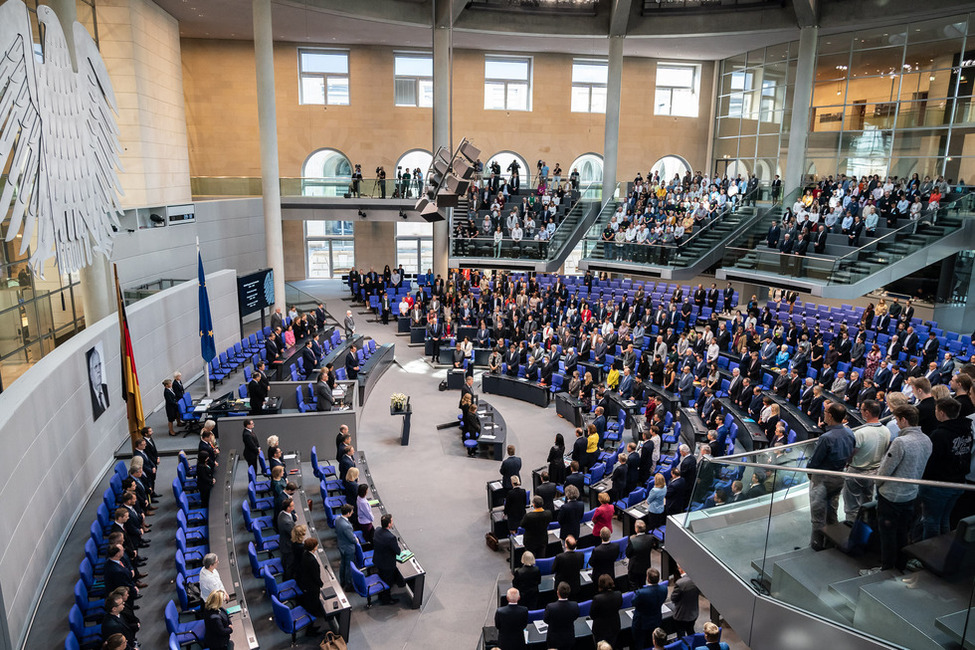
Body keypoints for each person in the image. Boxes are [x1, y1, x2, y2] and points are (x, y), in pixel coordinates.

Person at [860, 405, 932, 576]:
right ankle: (899, 565)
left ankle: (886, 568)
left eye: (897, 419)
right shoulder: (927, 440)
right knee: (902, 532)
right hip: (911, 495)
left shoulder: (900, 442)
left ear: (904, 420)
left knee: (888, 535)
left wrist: (879, 485)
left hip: (891, 497)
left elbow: (885, 471)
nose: (896, 423)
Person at [919, 398, 972, 539]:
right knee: (944, 520)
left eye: (936, 410)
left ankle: (930, 553)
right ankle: (942, 551)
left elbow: (931, 461)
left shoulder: (939, 434)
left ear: (941, 413)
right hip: (957, 482)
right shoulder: (966, 431)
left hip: (938, 485)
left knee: (931, 521)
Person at [808, 402, 856, 550]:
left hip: (822, 479)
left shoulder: (826, 438)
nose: (824, 413)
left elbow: (814, 462)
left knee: (817, 516)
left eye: (826, 411)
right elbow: (851, 454)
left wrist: (810, 474)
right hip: (839, 477)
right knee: (832, 512)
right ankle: (831, 543)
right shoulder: (849, 432)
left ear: (830, 415)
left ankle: (816, 546)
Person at [843, 400, 889, 523]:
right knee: (867, 502)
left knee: (852, 505)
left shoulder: (861, 433)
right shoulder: (886, 430)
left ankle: (851, 527)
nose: (861, 412)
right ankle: (865, 525)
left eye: (862, 410)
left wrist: (847, 463)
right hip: (875, 472)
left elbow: (851, 453)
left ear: (867, 412)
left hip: (856, 472)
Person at [632, 569, 668, 650]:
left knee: (639, 644)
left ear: (647, 578)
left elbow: (633, 602)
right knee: (651, 642)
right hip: (656, 619)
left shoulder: (641, 593)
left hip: (641, 623)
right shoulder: (664, 589)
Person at [294, 538, 325, 631]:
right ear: (313, 547)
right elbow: (315, 576)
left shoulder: (305, 554)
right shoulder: (311, 561)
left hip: (306, 583)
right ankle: (310, 628)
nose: (317, 546)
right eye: (316, 545)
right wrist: (321, 584)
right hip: (311, 587)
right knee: (312, 605)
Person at [373, 513, 404, 604]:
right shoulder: (391, 538)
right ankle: (386, 599)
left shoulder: (377, 530)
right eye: (392, 521)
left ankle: (381, 594)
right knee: (387, 582)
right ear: (389, 524)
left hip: (378, 560)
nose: (392, 522)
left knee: (382, 577)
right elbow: (398, 552)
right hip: (387, 565)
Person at [543, 582, 579, 650]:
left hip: (554, 640)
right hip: (569, 638)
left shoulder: (550, 607)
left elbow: (546, 620)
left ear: (557, 592)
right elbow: (575, 616)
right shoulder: (574, 605)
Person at [590, 574, 623, 648]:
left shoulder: (597, 599)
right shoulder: (618, 594)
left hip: (600, 630)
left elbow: (592, 615)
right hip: (614, 627)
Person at [670, 567, 700, 638]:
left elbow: (673, 598)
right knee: (691, 631)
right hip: (693, 613)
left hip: (681, 615)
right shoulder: (697, 579)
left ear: (681, 569)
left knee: (681, 634)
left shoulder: (680, 583)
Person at [627, 520, 655, 588]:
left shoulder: (633, 541)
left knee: (633, 586)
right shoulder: (651, 538)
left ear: (636, 529)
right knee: (642, 583)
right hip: (645, 566)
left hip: (634, 568)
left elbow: (628, 554)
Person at [335, 504, 357, 591]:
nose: (353, 513)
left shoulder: (337, 519)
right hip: (348, 548)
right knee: (348, 567)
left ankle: (342, 581)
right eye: (351, 512)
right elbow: (352, 539)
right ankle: (348, 585)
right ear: (348, 513)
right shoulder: (346, 526)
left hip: (341, 545)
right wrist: (356, 540)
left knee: (343, 564)